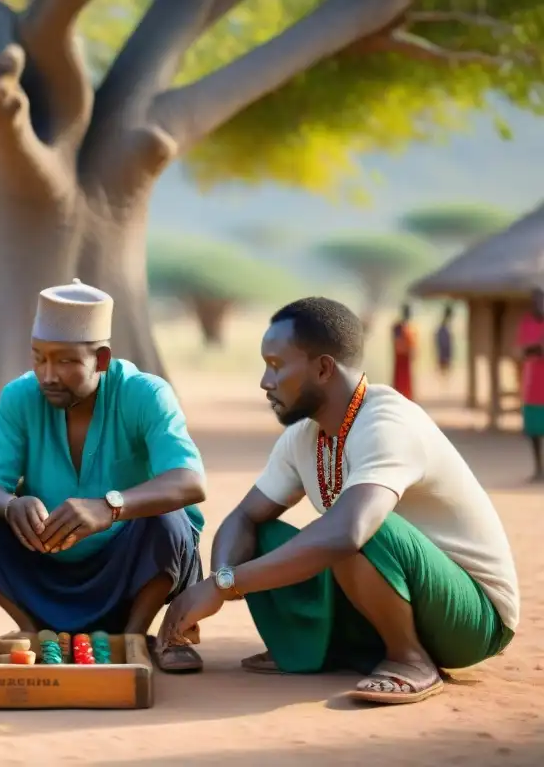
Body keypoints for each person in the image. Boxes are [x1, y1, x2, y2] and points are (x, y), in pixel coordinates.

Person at [158, 296, 519, 705]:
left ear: (324, 368)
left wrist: (227, 584)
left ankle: (410, 658)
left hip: (470, 619)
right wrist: (220, 577)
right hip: (391, 597)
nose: (264, 381)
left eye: (276, 365)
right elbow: (245, 516)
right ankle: (321, 648)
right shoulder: (304, 437)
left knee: (353, 527)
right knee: (263, 533)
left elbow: (349, 533)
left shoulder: (387, 423)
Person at [0, 279, 208, 673]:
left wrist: (110, 507)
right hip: (47, 564)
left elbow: (190, 482)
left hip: (128, 568)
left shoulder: (146, 394)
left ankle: (134, 635)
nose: (48, 374)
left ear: (101, 359)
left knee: (170, 519)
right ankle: (35, 631)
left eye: (66, 361)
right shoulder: (19, 396)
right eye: (39, 358)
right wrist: (10, 505)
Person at [517, 286, 544, 482]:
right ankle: (538, 469)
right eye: (536, 301)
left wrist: (535, 349)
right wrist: (537, 348)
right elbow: (523, 350)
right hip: (532, 386)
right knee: (534, 432)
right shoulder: (527, 322)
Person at [391, 303, 417, 400]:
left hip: (407, 358)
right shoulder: (398, 327)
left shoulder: (411, 327)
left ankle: (408, 397)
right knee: (400, 380)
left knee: (408, 381)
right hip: (401, 358)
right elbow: (397, 343)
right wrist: (406, 348)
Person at [434, 303, 454, 382]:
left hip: (446, 345)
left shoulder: (447, 323)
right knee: (443, 363)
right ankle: (443, 379)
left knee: (446, 364)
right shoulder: (444, 324)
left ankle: (445, 379)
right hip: (443, 345)